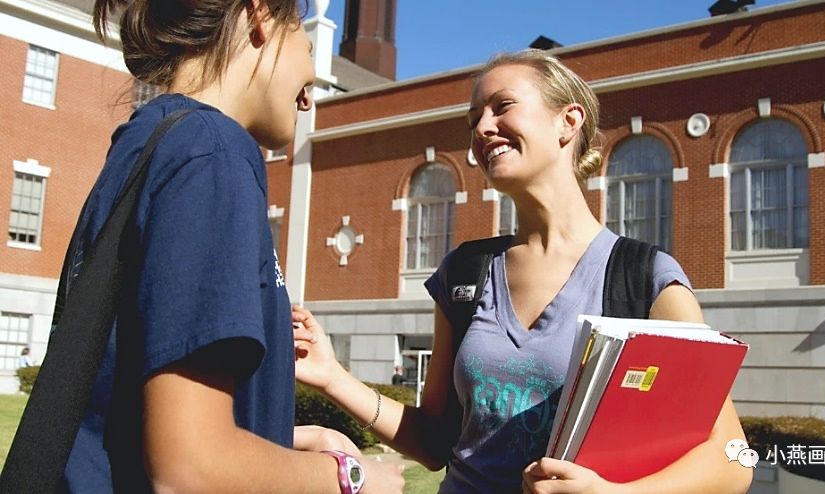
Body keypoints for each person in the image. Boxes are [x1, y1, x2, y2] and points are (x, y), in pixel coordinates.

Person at [292, 49, 752, 493]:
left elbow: (733, 458)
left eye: (502, 107)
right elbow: (435, 442)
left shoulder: (644, 277)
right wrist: (333, 376)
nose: (483, 128)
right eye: (474, 119)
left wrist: (612, 492)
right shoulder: (465, 272)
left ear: (568, 122)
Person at [59, 0, 405, 491]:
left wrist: (294, 437)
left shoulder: (149, 143)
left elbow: (127, 419)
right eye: (306, 50)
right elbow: (190, 470)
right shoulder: (214, 153)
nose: (308, 98)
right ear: (260, 16)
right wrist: (353, 478)